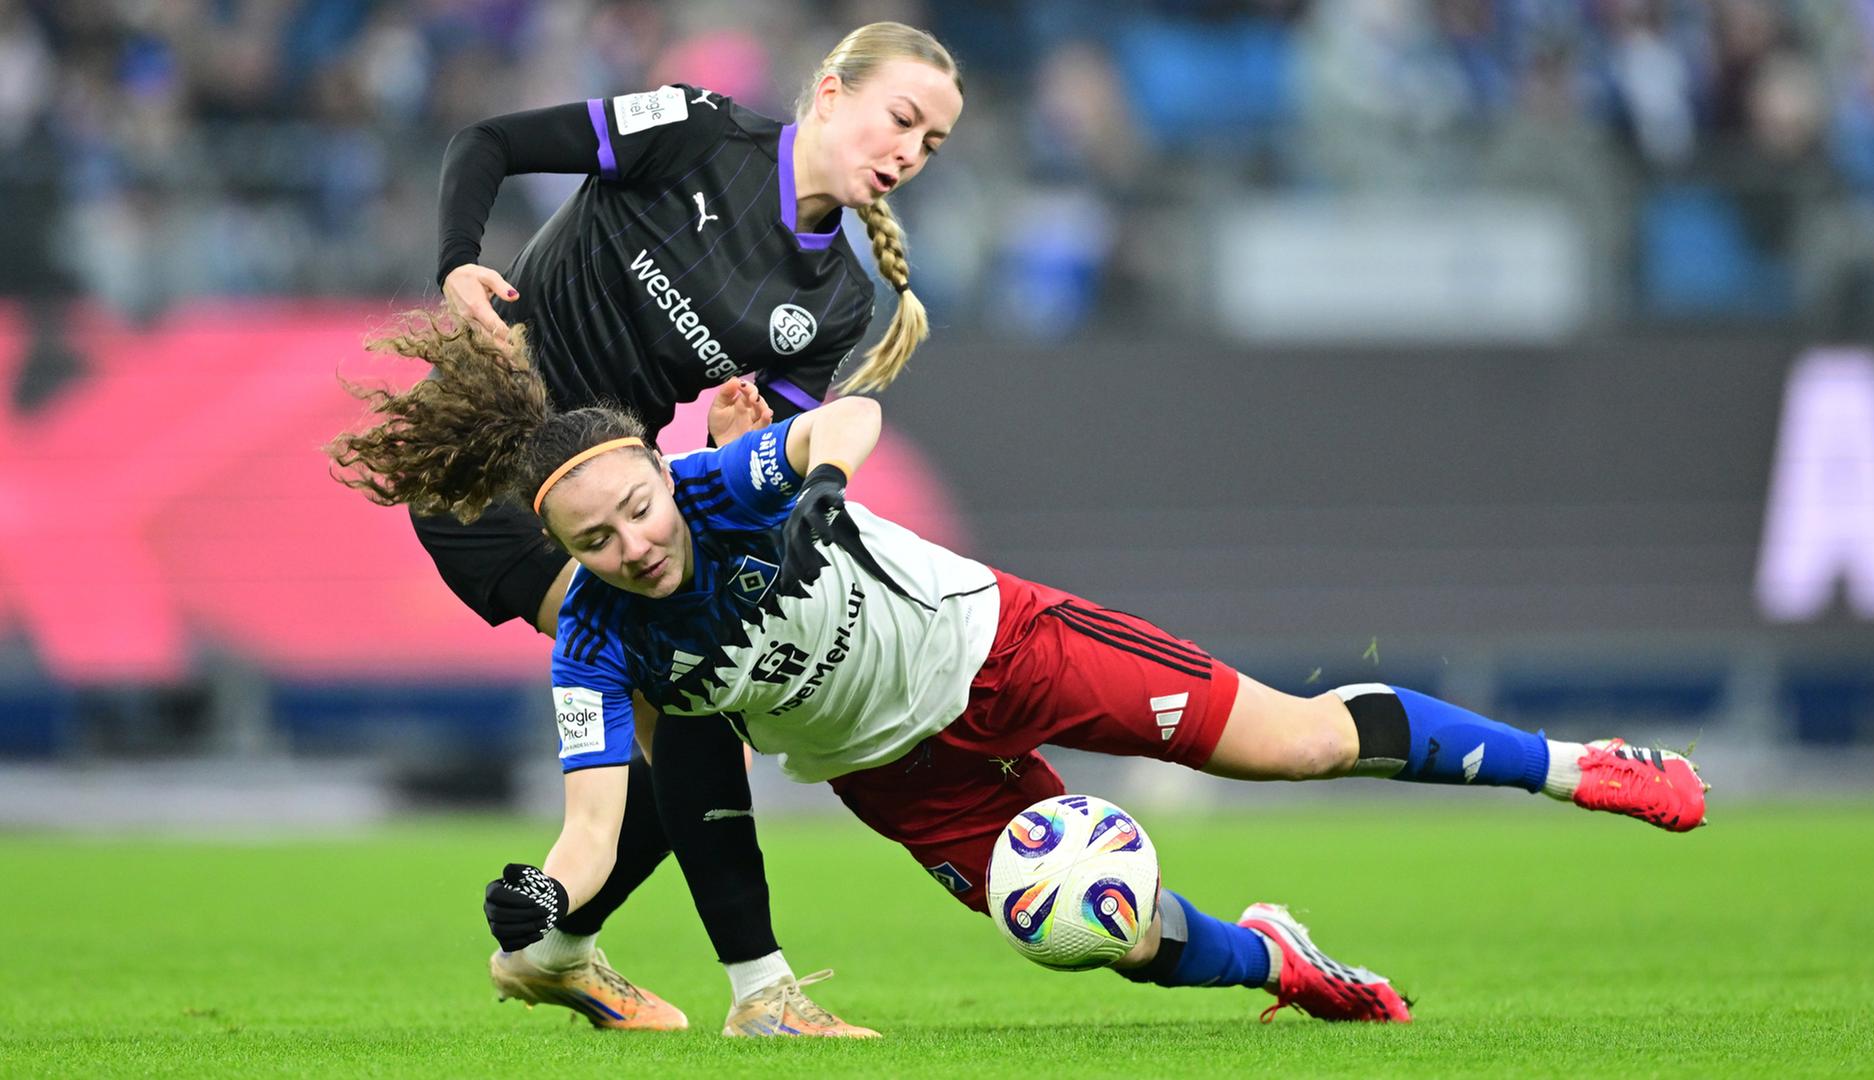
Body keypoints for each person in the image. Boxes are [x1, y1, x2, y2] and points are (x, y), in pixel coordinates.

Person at [331, 313, 1711, 1026]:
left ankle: (1584, 770)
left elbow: (848, 424)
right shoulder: (590, 641)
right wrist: (534, 903)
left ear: (654, 471)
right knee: (1099, 936)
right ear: (565, 550)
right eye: (597, 537)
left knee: (1296, 741)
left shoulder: (720, 484)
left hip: (1001, 648)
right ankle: (1276, 965)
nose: (633, 542)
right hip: (892, 774)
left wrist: (814, 482)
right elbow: (588, 829)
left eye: (635, 506)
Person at [413, 22, 963, 1036]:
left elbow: (770, 478)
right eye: (901, 118)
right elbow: (484, 142)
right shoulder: (695, 132)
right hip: (492, 474)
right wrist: (456, 266)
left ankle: (559, 949)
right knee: (692, 704)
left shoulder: (837, 300)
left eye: (930, 143)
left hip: (607, 490)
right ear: (831, 92)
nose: (908, 153)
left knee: (699, 726)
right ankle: (753, 994)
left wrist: (725, 440)